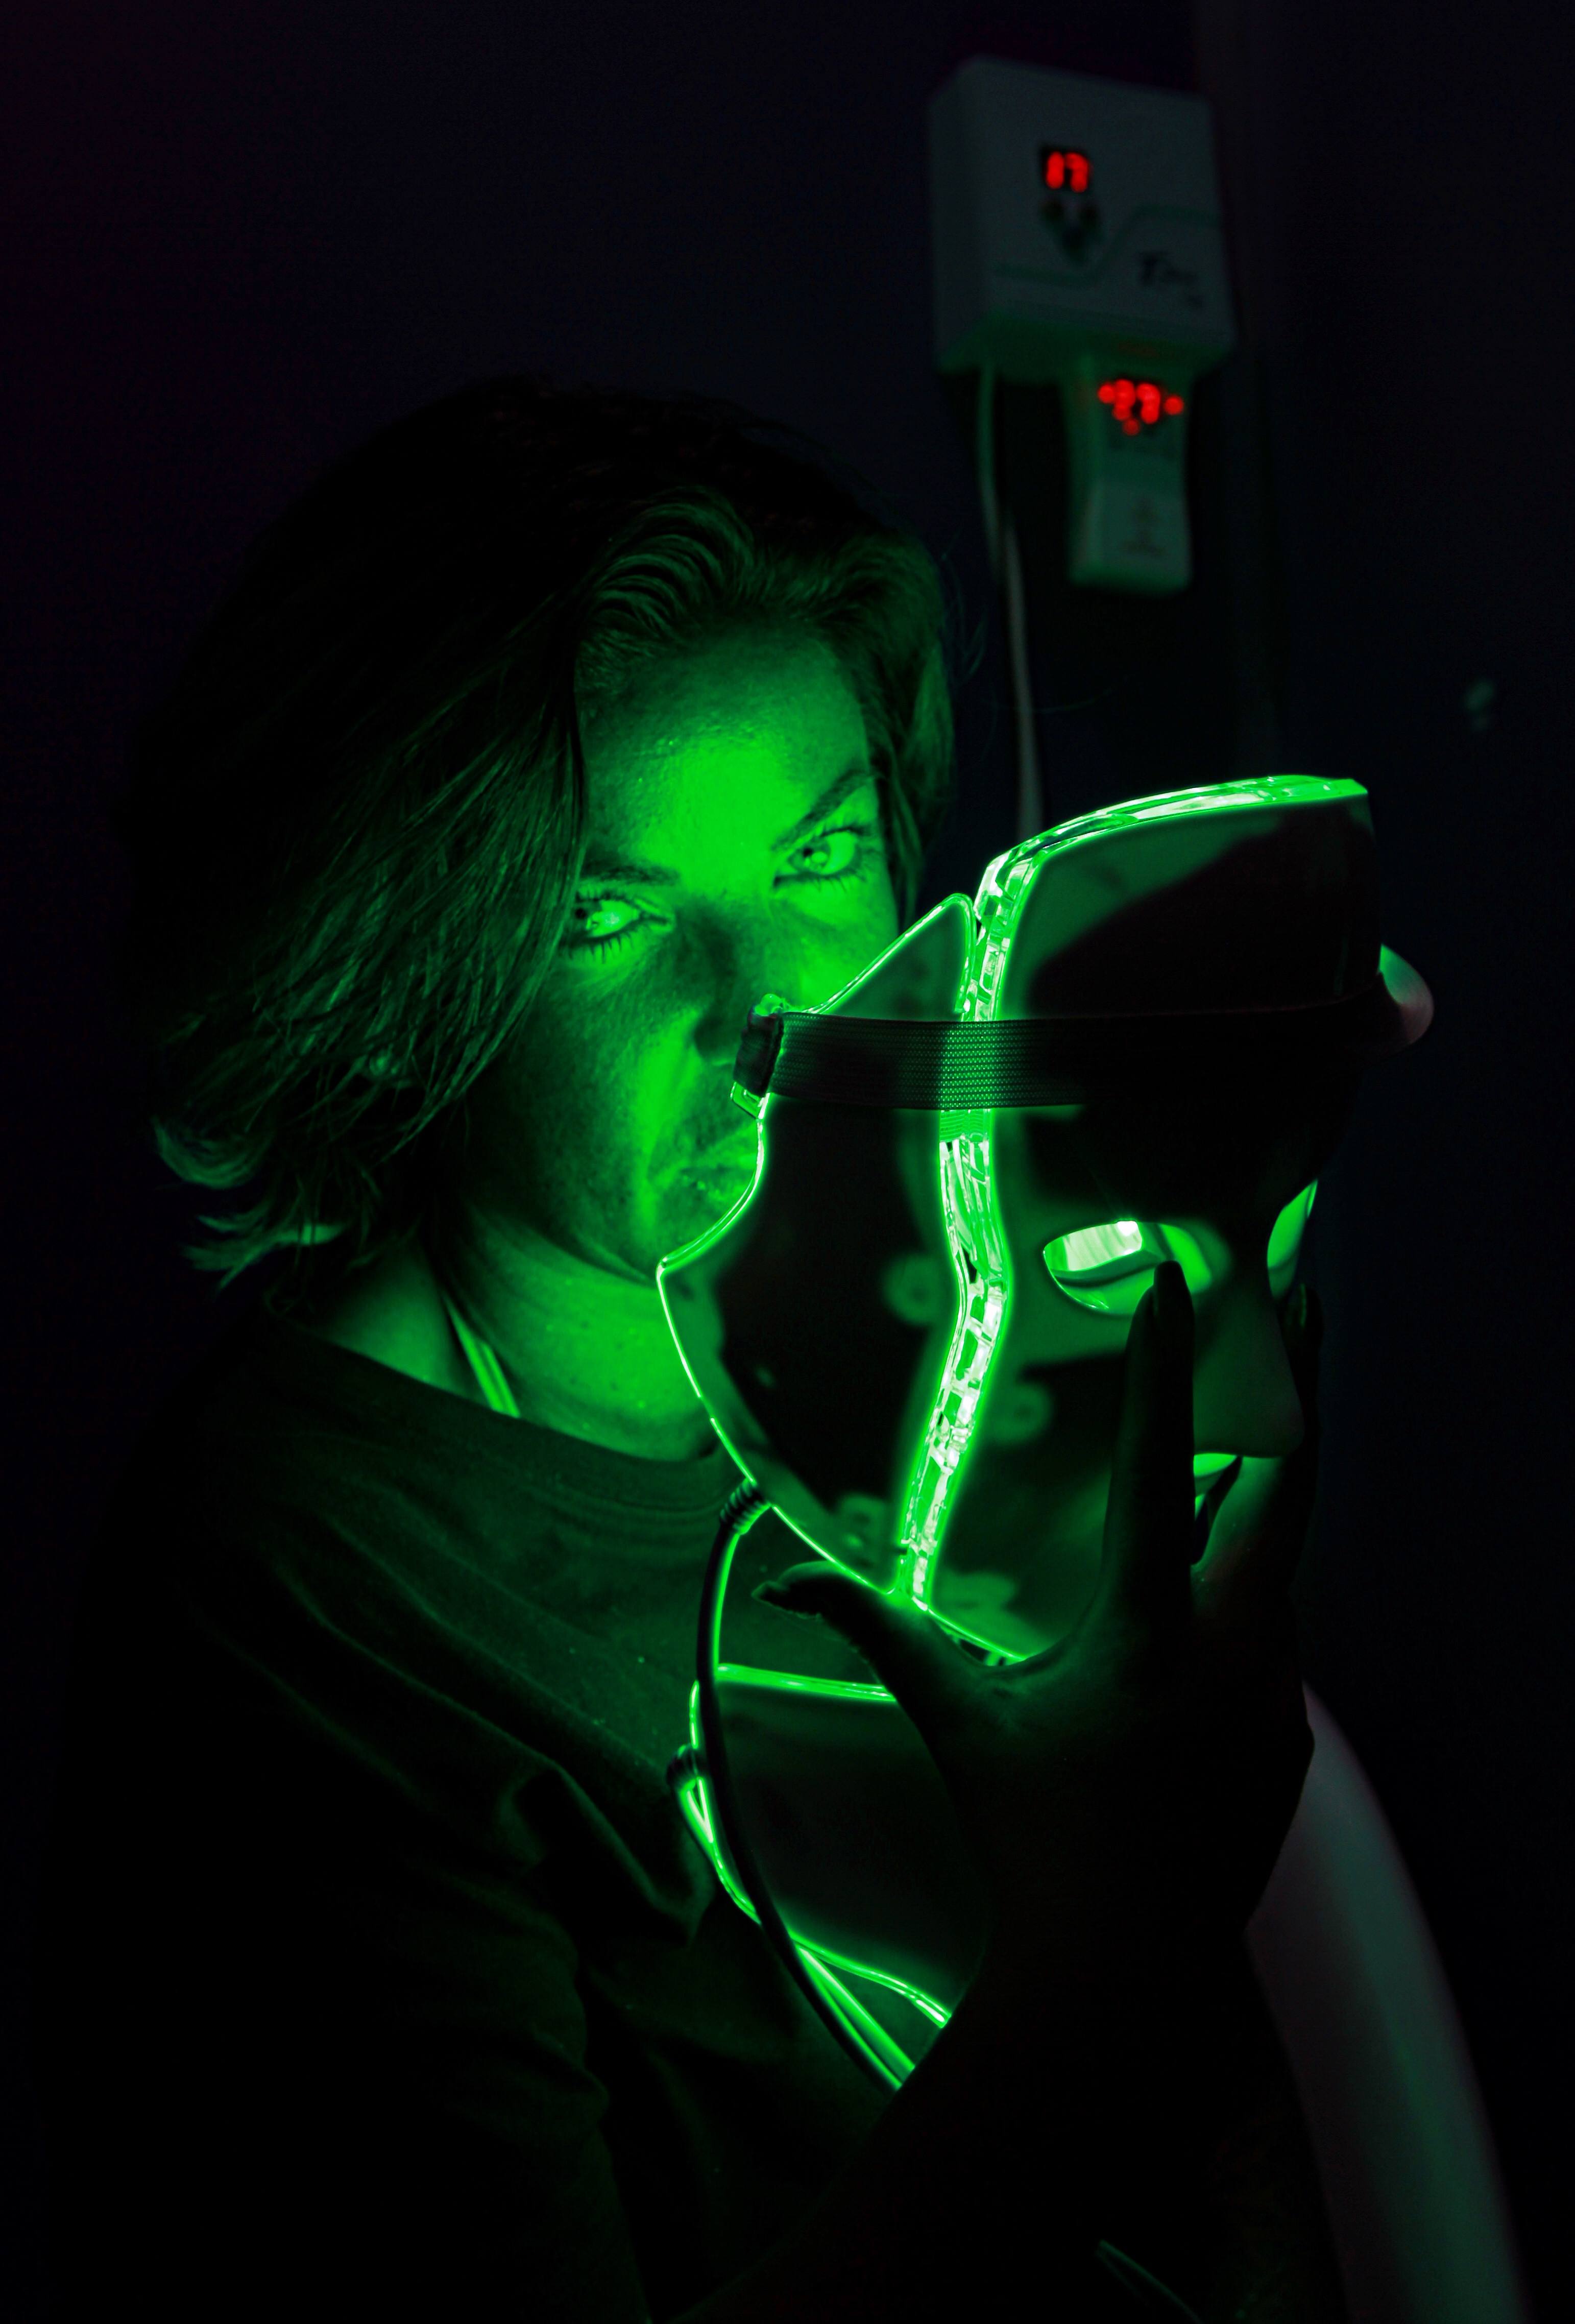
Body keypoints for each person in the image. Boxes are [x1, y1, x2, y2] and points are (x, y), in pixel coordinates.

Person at [30, 376, 1347, 2320]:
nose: (777, 1012)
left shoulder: (946, 1362)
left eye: (819, 859)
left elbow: (1220, 2117)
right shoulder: (306, 1601)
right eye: (612, 914)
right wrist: (1108, 1947)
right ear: (405, 974)